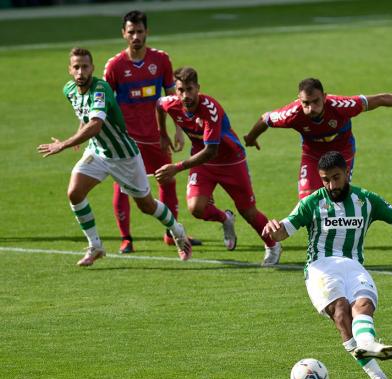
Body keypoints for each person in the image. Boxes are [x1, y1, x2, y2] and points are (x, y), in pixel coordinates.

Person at [262, 151, 392, 379]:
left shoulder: (366, 200)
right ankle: (378, 377)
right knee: (340, 312)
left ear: (347, 172)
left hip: (353, 266)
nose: (331, 185)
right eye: (325, 179)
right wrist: (274, 230)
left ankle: (369, 346)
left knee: (364, 304)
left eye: (336, 178)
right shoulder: (312, 202)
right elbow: (284, 230)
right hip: (321, 267)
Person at [37, 47, 192, 266]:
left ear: (92, 68)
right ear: (70, 70)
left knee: (146, 206)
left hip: (123, 156)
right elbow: (84, 115)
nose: (81, 72)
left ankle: (178, 231)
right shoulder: (69, 90)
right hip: (97, 152)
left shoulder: (100, 89)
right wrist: (77, 136)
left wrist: (65, 144)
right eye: (76, 67)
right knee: (75, 192)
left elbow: (96, 124)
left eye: (85, 66)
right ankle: (96, 246)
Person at [154, 67, 282, 266]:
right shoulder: (172, 103)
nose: (185, 95)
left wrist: (177, 167)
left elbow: (211, 151)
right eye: (180, 90)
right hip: (202, 162)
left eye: (189, 89)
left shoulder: (210, 109)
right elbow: (159, 105)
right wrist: (163, 133)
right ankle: (225, 219)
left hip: (230, 161)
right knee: (196, 208)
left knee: (248, 211)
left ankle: (273, 245)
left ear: (198, 88)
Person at [243, 77, 392, 199]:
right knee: (306, 199)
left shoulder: (341, 105)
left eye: (315, 101)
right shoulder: (292, 113)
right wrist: (251, 137)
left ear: (325, 96)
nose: (310, 108)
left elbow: (381, 99)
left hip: (342, 151)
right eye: (305, 103)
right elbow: (265, 119)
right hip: (312, 153)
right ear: (298, 100)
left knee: (335, 193)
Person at [103, 10, 200, 254]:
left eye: (140, 31)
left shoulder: (161, 60)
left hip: (158, 136)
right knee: (122, 188)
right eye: (131, 31)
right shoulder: (115, 66)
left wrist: (178, 130)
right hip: (126, 140)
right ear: (123, 33)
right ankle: (126, 239)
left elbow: (173, 98)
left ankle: (171, 234)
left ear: (147, 32)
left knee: (167, 181)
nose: (136, 36)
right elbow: (102, 102)